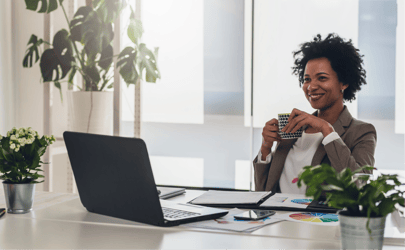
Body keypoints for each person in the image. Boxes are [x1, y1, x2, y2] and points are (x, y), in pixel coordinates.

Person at [253, 33, 376, 194]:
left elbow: (359, 187)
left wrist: (326, 130)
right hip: (276, 218)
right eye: (307, 79)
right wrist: (265, 149)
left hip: (316, 219)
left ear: (344, 82)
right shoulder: (293, 127)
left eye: (322, 78)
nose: (311, 87)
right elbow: (263, 192)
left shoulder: (361, 132)